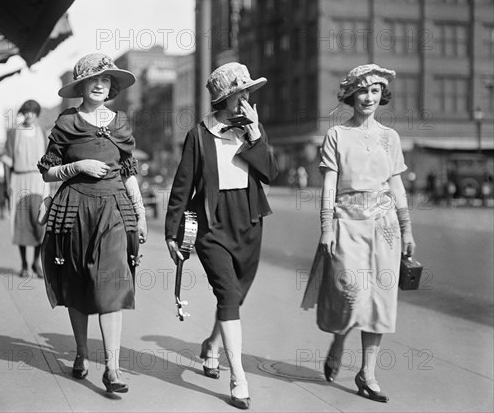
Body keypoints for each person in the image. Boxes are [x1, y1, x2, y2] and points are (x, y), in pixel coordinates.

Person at [165, 62, 278, 410]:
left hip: (250, 220)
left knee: (235, 297)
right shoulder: (199, 134)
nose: (245, 98)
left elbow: (270, 173)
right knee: (228, 293)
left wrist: (255, 136)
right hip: (213, 225)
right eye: (239, 93)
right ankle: (238, 377)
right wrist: (171, 232)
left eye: (247, 92)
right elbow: (183, 184)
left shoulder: (252, 130)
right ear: (223, 99)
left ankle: (211, 346)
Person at [301, 64, 416, 403]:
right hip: (346, 224)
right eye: (363, 91)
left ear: (382, 96)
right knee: (351, 293)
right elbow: (329, 185)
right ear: (351, 95)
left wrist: (407, 228)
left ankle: (368, 373)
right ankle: (338, 339)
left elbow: (396, 184)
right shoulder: (337, 135)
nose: (368, 97)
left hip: (386, 228)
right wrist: (326, 228)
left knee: (379, 302)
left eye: (375, 91)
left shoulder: (390, 137)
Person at [37, 53, 147, 393]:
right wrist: (77, 167)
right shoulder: (66, 122)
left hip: (114, 210)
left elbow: (129, 173)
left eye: (106, 80)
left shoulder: (121, 122)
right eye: (93, 80)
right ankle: (83, 354)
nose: (100, 84)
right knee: (78, 282)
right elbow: (47, 171)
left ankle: (112, 369)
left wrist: (140, 213)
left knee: (112, 285)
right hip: (74, 210)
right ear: (81, 86)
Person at [2, 100, 48, 278]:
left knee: (39, 221)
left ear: (37, 114)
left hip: (38, 180)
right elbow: (7, 162)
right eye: (27, 112)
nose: (29, 115)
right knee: (21, 221)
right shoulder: (14, 133)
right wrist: (7, 185)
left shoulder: (42, 132)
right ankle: (24, 265)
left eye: (33, 112)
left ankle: (36, 263)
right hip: (19, 179)